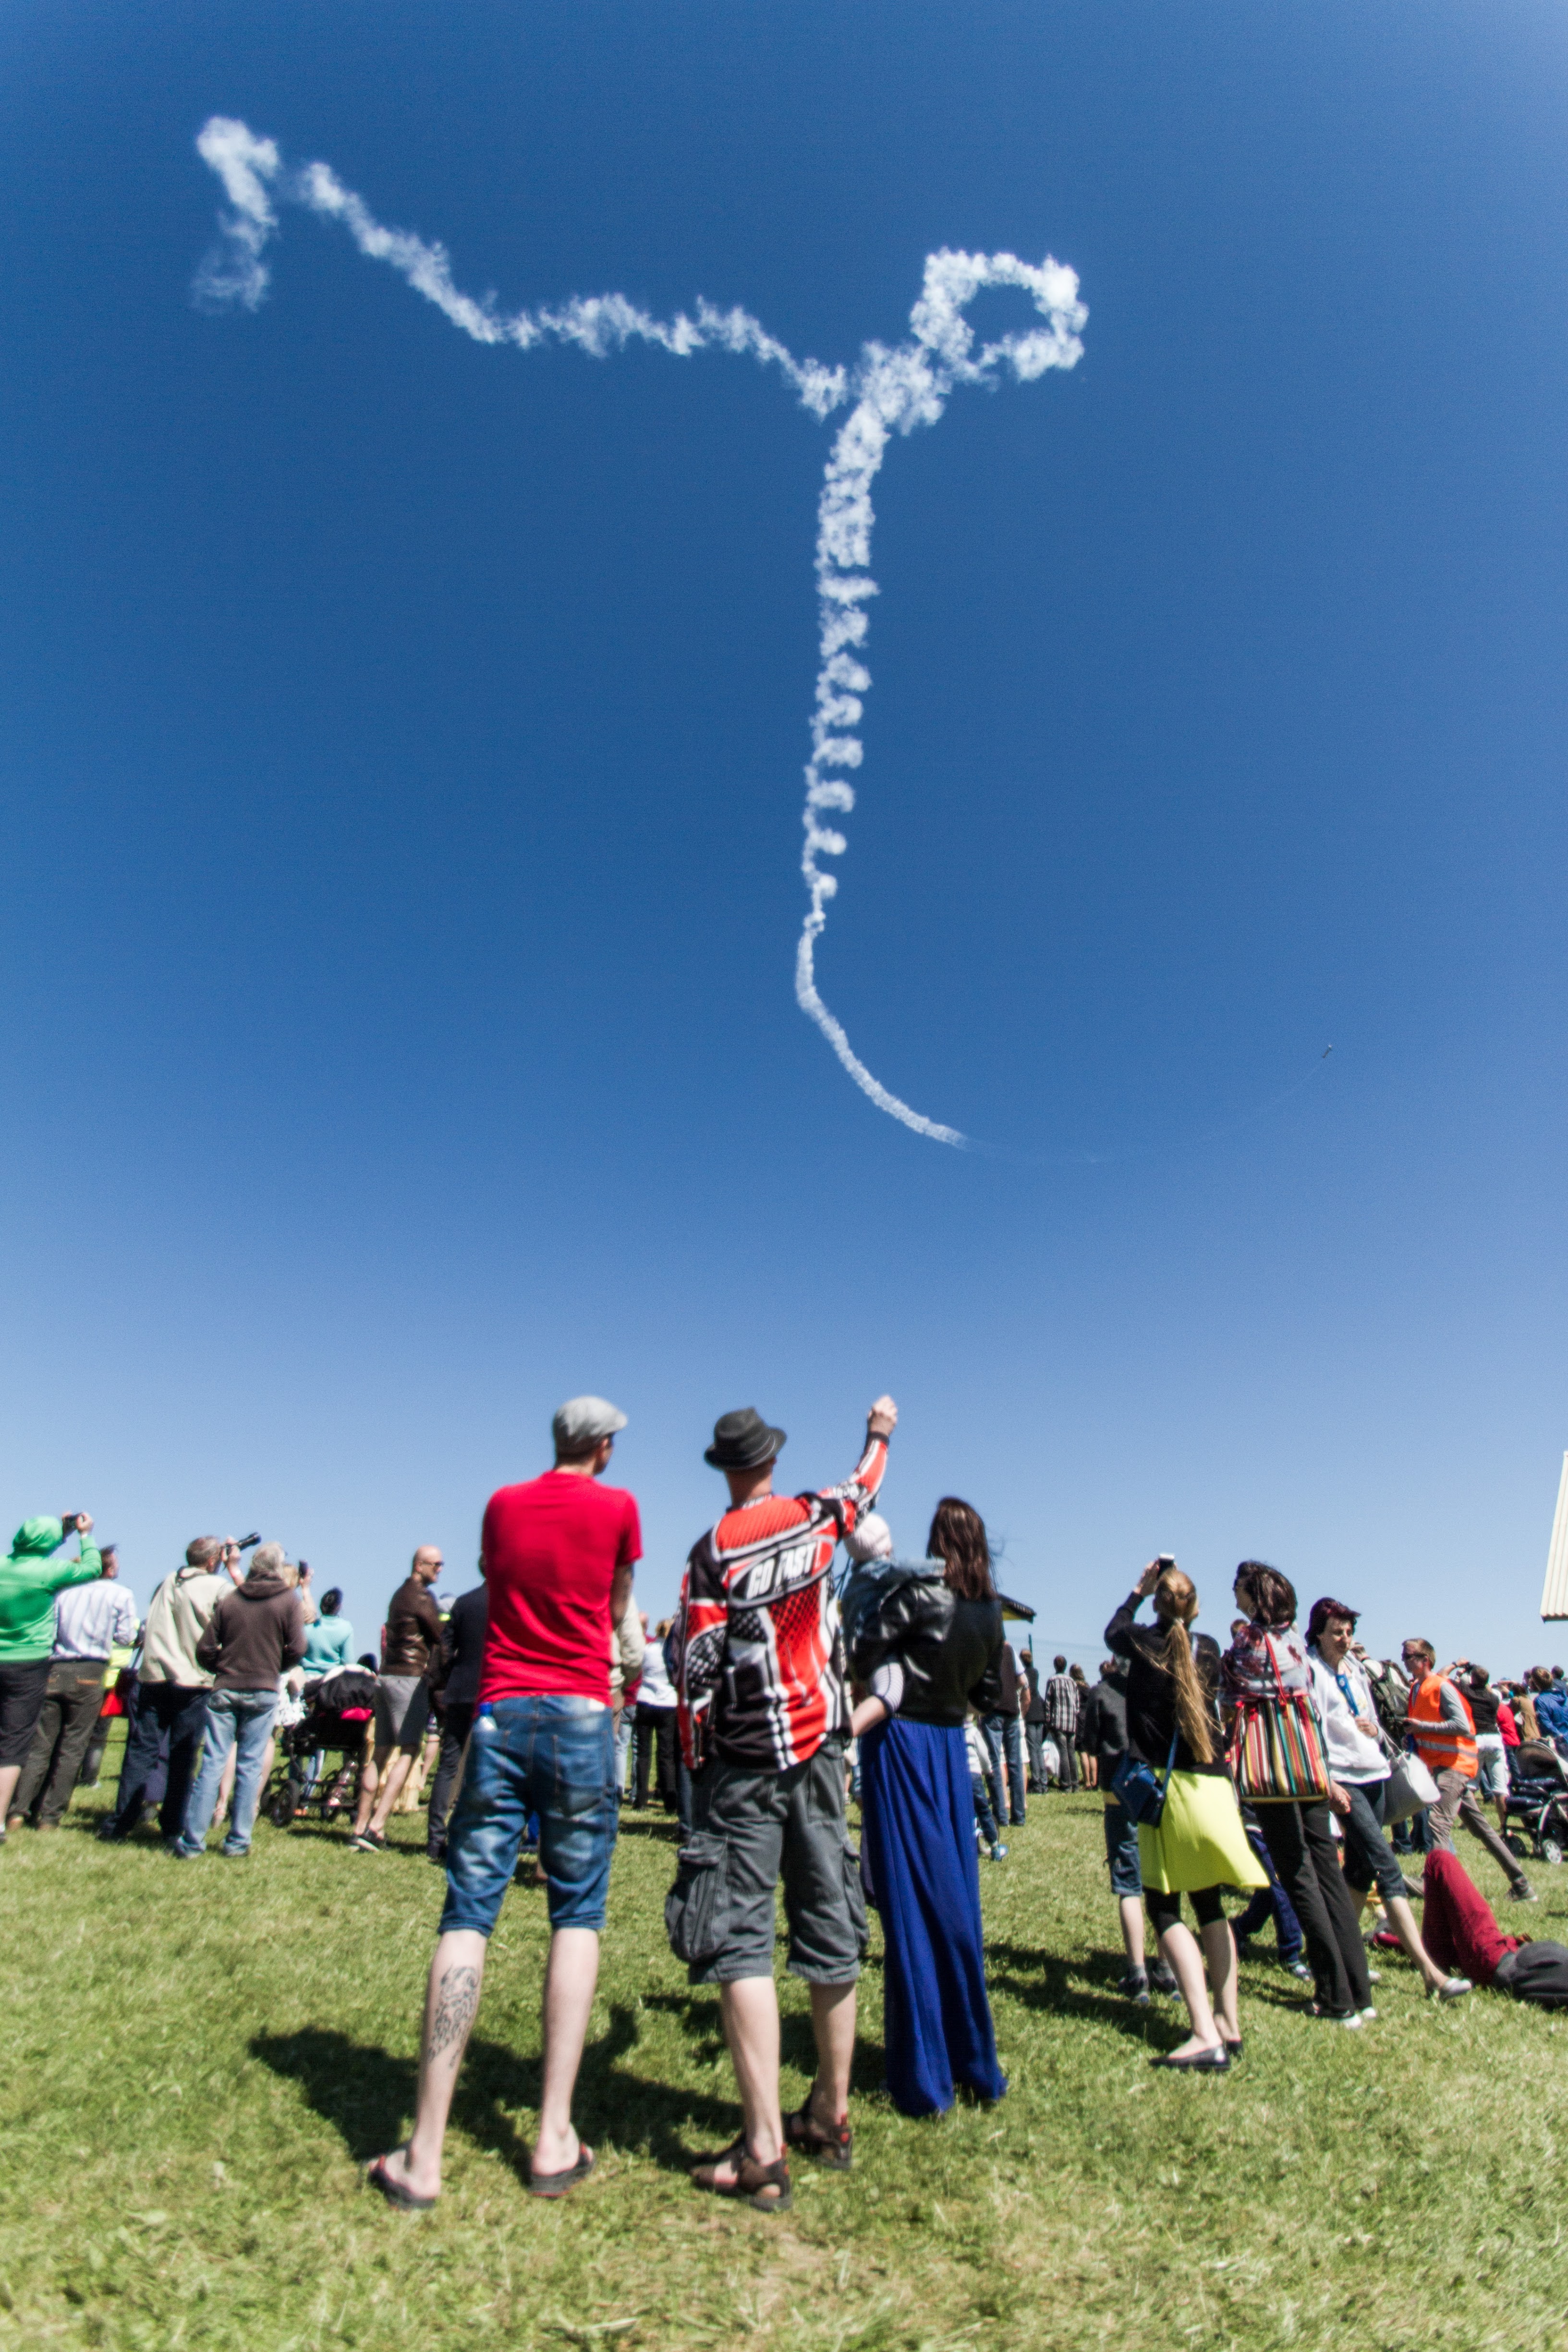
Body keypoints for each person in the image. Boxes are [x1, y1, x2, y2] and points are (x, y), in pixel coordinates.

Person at [366, 1394, 638, 2209]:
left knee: (467, 1913)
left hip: (502, 1712)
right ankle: (553, 2134)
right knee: (576, 1914)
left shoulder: (502, 1505)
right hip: (582, 1712)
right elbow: (616, 1608)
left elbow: (500, 1582)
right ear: (602, 1446)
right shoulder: (619, 1508)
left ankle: (424, 2151)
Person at [668, 1396, 892, 2211]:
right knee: (830, 1917)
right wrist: (879, 1432)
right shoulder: (814, 1517)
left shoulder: (711, 1553)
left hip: (744, 1761)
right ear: (770, 1459)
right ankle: (831, 2112)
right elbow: (864, 1484)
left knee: (741, 1937)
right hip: (822, 1749)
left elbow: (697, 1670)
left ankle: (763, 2147)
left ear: (724, 1468)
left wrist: (695, 1761)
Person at [846, 1496, 1008, 2116]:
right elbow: (988, 1691)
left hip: (902, 1743)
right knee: (955, 1899)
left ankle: (924, 2076)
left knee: (909, 1906)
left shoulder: (918, 1594)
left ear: (939, 1540)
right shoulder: (991, 1610)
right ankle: (972, 2058)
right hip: (949, 1748)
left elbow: (862, 1653)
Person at [1105, 1563, 1264, 2066]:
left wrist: (1137, 1590)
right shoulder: (1209, 1648)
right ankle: (1228, 2023)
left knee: (1163, 1908)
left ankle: (1202, 2033)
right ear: (1196, 1607)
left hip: (1169, 1790)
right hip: (1213, 1787)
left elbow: (1113, 1631)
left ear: (1157, 1603)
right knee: (1210, 1904)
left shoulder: (1142, 1643)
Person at [1223, 1564, 1374, 2025]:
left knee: (1296, 1873)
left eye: (1238, 1587)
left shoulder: (1248, 1643)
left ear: (1254, 1596)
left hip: (1272, 1763)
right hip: (1308, 1757)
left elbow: (1229, 1699)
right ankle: (1359, 1990)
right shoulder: (1294, 1643)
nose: (1233, 1592)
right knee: (1326, 1868)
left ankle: (1334, 1996)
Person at [1305, 1599, 1469, 2002]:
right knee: (1386, 1866)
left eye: (1348, 1632)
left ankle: (1336, 1955)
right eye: (1336, 1632)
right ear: (1318, 1633)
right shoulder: (1310, 1670)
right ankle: (1431, 1973)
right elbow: (1308, 1728)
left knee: (1359, 1871)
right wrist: (1326, 1781)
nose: (1344, 1639)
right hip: (1344, 1779)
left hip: (1375, 1771)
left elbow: (1375, 1721)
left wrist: (1374, 1731)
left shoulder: (1354, 1668)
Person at [173, 1543, 305, 1858]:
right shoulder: (288, 1601)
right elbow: (299, 1648)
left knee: (213, 1763)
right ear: (277, 1569)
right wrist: (275, 1665)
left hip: (227, 1687)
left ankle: (192, 1841)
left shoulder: (232, 1599)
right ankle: (238, 1840)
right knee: (250, 1765)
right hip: (263, 1689)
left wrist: (222, 1666)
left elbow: (205, 1649)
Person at [100, 1537, 230, 1843]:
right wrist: (234, 1568)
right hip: (193, 1680)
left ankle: (121, 1822)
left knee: (140, 1752)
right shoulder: (217, 1587)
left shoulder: (170, 1580)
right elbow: (239, 1611)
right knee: (183, 1756)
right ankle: (172, 1825)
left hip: (153, 1676)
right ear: (213, 1561)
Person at [10, 1546, 137, 1831]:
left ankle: (18, 1810)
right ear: (108, 1569)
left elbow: (49, 1629)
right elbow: (126, 1636)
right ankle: (50, 1816)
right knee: (73, 1746)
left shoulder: (64, 1592)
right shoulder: (120, 1594)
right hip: (91, 1669)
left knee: (40, 1745)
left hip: (56, 1667)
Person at [1402, 1638, 1536, 1902]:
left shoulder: (1442, 1687)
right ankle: (1522, 1886)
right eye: (1404, 1656)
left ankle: (1432, 1884)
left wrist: (1421, 1727)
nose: (1404, 1661)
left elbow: (1462, 1726)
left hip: (1455, 1766)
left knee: (1438, 1822)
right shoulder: (1417, 1688)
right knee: (1482, 1829)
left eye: (1409, 1657)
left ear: (1425, 1660)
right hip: (1443, 1765)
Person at [0, 1514, 103, 1843]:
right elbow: (93, 1568)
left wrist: (61, 1532)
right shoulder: (50, 1572)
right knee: (14, 1742)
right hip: (28, 1663)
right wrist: (83, 1535)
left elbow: (32, 1549)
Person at [1082, 1654, 1177, 2004]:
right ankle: (1167, 1967)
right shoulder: (1159, 1689)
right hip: (1157, 1791)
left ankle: (1137, 1973)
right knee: (1163, 1880)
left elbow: (1090, 1743)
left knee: (1129, 1882)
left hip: (1118, 1792)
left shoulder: (1102, 1692)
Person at [350, 1547, 445, 1852]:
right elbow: (440, 1634)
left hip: (387, 1676)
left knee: (380, 1752)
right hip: (410, 1678)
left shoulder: (398, 1595)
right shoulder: (422, 1597)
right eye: (436, 1564)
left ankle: (359, 1826)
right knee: (409, 1750)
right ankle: (377, 1827)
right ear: (420, 1565)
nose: (440, 1569)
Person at [1418, 1850, 1568, 2006]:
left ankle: (1433, 1955)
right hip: (1509, 1952)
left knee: (1439, 1860)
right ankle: (1423, 1947)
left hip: (1494, 1957)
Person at [426, 1575, 487, 1865]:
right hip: (491, 1691)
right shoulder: (508, 1603)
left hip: (461, 1688)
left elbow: (445, 1647)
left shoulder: (464, 1602)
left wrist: (453, 1672)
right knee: (485, 1767)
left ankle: (436, 1838)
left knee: (448, 1765)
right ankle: (469, 1837)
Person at [1452, 1663, 1511, 1838]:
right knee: (1500, 1788)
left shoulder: (1467, 1692)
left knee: (1470, 1786)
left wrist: (1460, 1672)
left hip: (1476, 1739)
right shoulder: (1494, 1698)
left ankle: (1471, 1822)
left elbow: (1451, 1681)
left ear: (1473, 1679)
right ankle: (1505, 1826)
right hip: (1494, 1739)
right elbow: (1487, 1689)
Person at [634, 1617, 680, 1811]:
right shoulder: (674, 1651)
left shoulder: (648, 1649)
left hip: (645, 1700)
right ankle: (669, 1801)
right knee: (666, 1755)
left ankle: (640, 1799)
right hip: (668, 1703)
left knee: (642, 1752)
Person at [979, 1636, 1026, 1827]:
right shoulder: (1010, 1651)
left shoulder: (984, 1650)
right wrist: (1010, 1689)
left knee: (995, 1762)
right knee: (1015, 1763)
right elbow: (1022, 1680)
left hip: (993, 1710)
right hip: (1012, 1710)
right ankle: (1019, 1815)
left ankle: (1001, 1815)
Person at [964, 1714, 1007, 1859]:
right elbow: (984, 1755)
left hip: (958, 1777)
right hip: (974, 1775)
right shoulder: (973, 1732)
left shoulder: (952, 1732)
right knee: (983, 1810)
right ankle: (995, 1847)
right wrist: (989, 1770)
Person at [1043, 1655, 1080, 1793]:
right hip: (1071, 1722)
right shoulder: (1072, 1682)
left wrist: (1048, 1721)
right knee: (1072, 1753)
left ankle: (1066, 1784)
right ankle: (1075, 1783)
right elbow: (1077, 1704)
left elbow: (1048, 1702)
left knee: (1063, 1753)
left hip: (1058, 1721)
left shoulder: (1052, 1680)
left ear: (1055, 1666)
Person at [302, 1587, 354, 1674]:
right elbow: (349, 1662)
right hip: (332, 1679)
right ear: (339, 1606)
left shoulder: (308, 1627)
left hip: (307, 1678)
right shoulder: (346, 1628)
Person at [1019, 1648, 1048, 1793]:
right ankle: (1044, 1780)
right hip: (1039, 1711)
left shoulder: (1022, 1675)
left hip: (1030, 1713)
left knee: (1032, 1749)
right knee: (1039, 1748)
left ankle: (1037, 1781)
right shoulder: (1035, 1672)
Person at [1071, 1662, 1096, 1788]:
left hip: (1079, 1719)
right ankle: (1094, 1781)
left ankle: (1087, 1782)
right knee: (1091, 1752)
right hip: (1089, 1718)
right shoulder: (1088, 1687)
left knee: (1082, 1751)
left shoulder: (1074, 1687)